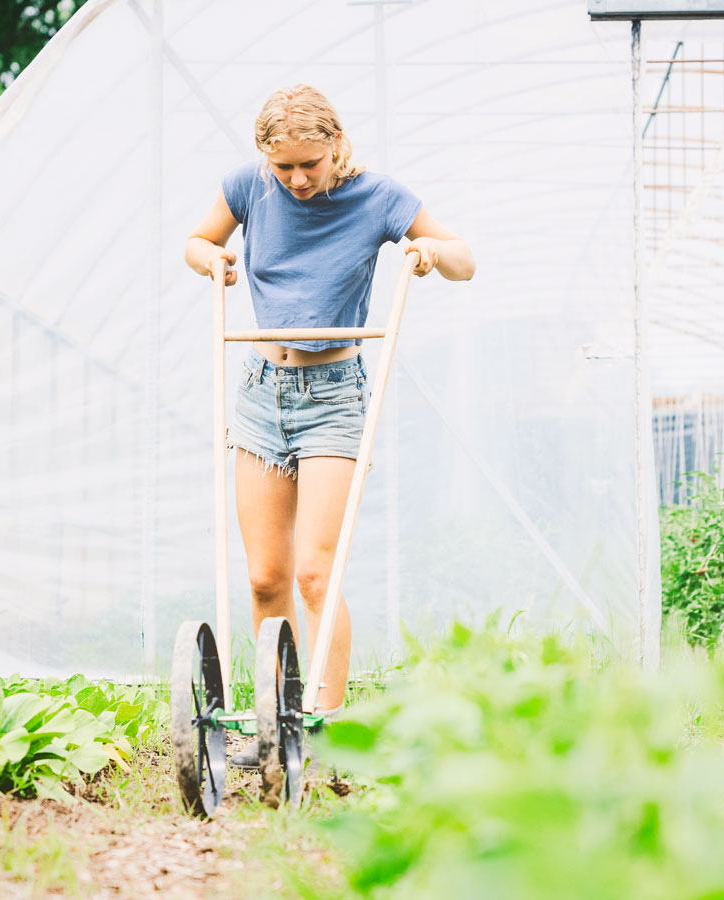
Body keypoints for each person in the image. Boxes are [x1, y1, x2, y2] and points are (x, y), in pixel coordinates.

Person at [184, 85, 475, 766]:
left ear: (336, 144)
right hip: (261, 389)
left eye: (309, 164)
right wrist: (215, 260)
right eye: (283, 167)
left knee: (316, 573)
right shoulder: (249, 187)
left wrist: (426, 254)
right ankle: (270, 718)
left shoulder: (379, 197)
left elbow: (465, 259)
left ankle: (326, 726)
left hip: (333, 395)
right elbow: (197, 241)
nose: (297, 179)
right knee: (265, 577)